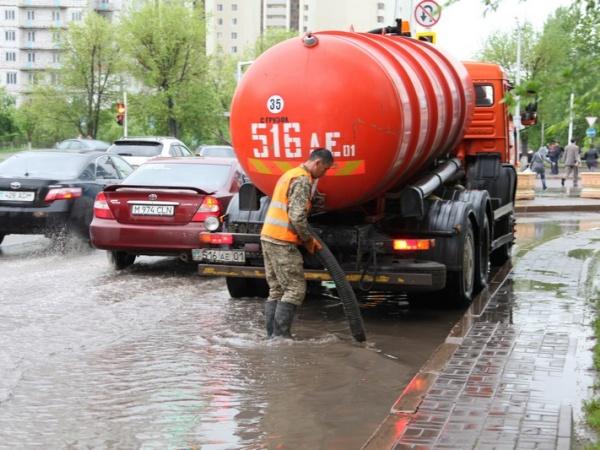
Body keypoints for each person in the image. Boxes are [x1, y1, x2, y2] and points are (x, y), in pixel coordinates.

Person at [260, 148, 334, 339]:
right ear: (317, 163)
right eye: (325, 169)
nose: (324, 174)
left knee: (276, 289)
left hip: (268, 236)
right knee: (295, 289)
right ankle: (281, 337)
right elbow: (297, 217)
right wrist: (308, 240)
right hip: (283, 241)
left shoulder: (290, 174)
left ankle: (272, 337)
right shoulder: (302, 179)